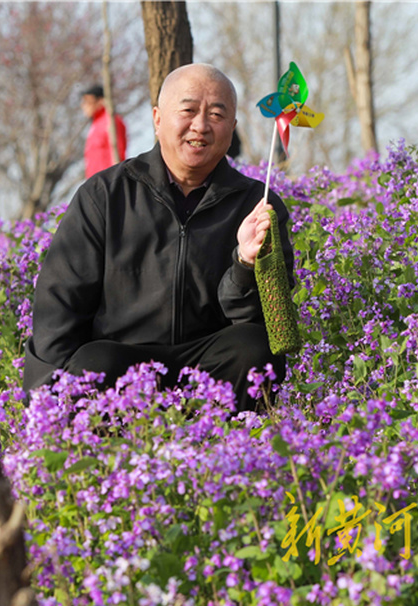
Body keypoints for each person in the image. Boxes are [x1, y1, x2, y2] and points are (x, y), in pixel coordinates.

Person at [24, 65, 294, 411]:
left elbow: (271, 322)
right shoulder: (105, 195)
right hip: (124, 365)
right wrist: (49, 402)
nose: (200, 125)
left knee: (253, 347)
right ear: (157, 119)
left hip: (208, 368)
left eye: (216, 114)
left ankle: (224, 451)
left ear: (232, 129)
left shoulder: (258, 206)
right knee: (95, 361)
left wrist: (244, 263)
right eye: (188, 110)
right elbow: (59, 305)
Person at [80, 84, 127, 178]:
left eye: (88, 102)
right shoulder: (95, 125)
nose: (83, 106)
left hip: (108, 182)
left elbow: (119, 151)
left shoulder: (112, 121)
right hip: (94, 183)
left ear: (101, 101)